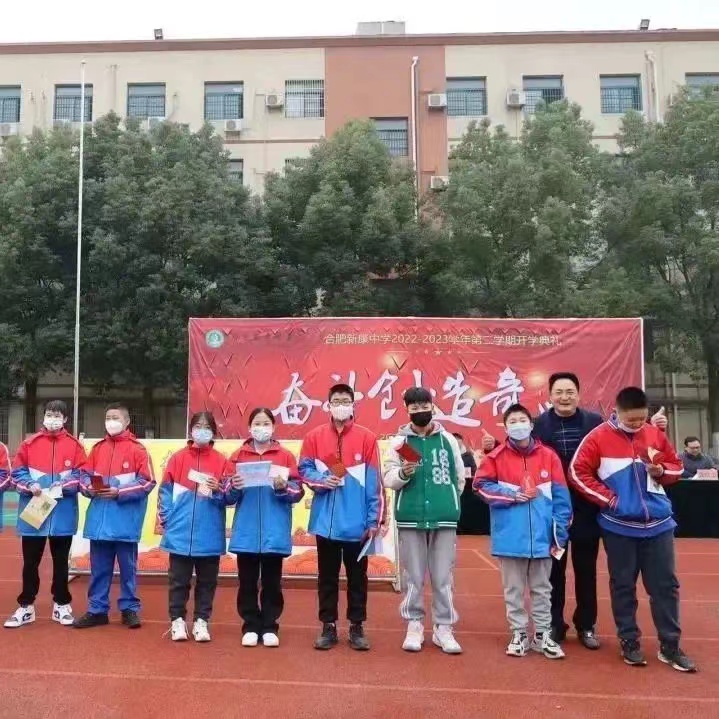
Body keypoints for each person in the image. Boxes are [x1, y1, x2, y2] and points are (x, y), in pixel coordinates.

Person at [570, 386, 696, 672]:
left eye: (641, 418)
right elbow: (577, 472)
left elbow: (677, 467)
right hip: (619, 527)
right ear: (617, 411)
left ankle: (670, 645)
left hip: (659, 525)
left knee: (665, 587)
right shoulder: (598, 437)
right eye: (632, 420)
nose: (638, 424)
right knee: (623, 586)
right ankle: (629, 641)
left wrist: (662, 472)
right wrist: (611, 500)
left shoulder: (654, 434)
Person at [475, 404, 571, 660]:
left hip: (543, 537)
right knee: (513, 589)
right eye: (513, 421)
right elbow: (480, 486)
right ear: (506, 428)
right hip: (510, 536)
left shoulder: (549, 456)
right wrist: (510, 495)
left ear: (531, 424)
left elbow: (562, 498)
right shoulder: (495, 457)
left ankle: (542, 634)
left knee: (542, 589)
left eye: (522, 420)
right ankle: (518, 633)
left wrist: (559, 532)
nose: (518, 425)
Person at [299, 383, 383, 652]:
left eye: (345, 401)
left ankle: (357, 626)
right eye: (336, 401)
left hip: (357, 525)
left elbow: (375, 484)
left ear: (353, 405)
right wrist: (322, 480)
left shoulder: (367, 438)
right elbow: (304, 470)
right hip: (326, 523)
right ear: (328, 405)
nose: (341, 405)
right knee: (327, 577)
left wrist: (373, 520)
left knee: (358, 578)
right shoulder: (313, 437)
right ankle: (328, 625)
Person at [383, 388, 465, 654]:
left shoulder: (448, 440)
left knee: (442, 576)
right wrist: (403, 474)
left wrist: (447, 501)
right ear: (407, 410)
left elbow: (459, 478)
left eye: (424, 405)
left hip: (444, 517)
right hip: (410, 516)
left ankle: (444, 627)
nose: (420, 411)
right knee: (414, 576)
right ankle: (414, 624)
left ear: (433, 406)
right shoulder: (399, 443)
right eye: (414, 407)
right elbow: (388, 478)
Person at [532, 372, 604, 649]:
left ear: (578, 394)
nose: (565, 397)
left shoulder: (595, 423)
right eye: (559, 392)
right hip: (552, 511)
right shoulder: (538, 425)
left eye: (570, 391)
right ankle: (554, 623)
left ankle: (586, 625)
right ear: (550, 396)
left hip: (587, 507)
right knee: (553, 571)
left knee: (586, 570)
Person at [4, 400, 86, 629]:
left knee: (61, 563)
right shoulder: (29, 444)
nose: (53, 419)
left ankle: (61, 604)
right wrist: (30, 485)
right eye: (50, 414)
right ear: (44, 417)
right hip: (34, 513)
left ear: (65, 419)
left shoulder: (75, 446)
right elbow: (16, 474)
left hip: (63, 514)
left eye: (58, 415)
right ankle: (26, 606)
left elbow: (82, 475)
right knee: (30, 563)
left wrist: (63, 485)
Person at [74, 403, 156, 629]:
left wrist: (119, 492)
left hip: (125, 522)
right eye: (108, 417)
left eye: (116, 417)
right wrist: (89, 488)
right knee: (99, 569)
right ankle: (97, 610)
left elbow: (148, 481)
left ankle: (129, 609)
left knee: (128, 569)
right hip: (99, 522)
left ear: (127, 421)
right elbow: (83, 476)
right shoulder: (97, 449)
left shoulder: (138, 450)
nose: (111, 422)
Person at [227, 408, 303, 648]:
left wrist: (283, 487)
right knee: (247, 582)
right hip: (247, 530)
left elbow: (298, 492)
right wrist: (234, 486)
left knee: (272, 582)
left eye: (266, 423)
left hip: (274, 529)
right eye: (257, 424)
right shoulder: (238, 455)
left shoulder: (285, 456)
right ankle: (250, 625)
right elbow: (226, 496)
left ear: (273, 427)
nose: (261, 428)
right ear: (249, 428)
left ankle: (270, 626)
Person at [158, 412, 230, 643]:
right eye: (198, 426)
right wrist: (168, 520)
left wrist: (219, 489)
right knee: (178, 581)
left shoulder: (222, 461)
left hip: (209, 533)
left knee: (207, 582)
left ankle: (201, 621)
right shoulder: (178, 458)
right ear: (191, 430)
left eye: (207, 427)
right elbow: (165, 492)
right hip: (179, 534)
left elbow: (231, 497)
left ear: (213, 432)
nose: (202, 430)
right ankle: (177, 621)